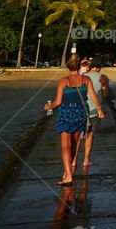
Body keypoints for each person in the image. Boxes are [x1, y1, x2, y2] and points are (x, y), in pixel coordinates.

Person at [44, 55, 105, 185]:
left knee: (66, 146)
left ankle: (68, 175)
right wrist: (99, 110)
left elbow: (58, 102)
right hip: (80, 114)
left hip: (66, 115)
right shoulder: (86, 79)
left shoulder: (63, 81)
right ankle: (68, 173)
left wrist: (48, 107)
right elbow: (93, 96)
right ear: (79, 67)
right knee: (73, 145)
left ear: (68, 68)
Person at [79, 62, 110, 168]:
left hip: (80, 109)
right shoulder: (103, 77)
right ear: (99, 68)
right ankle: (86, 160)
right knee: (90, 134)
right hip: (94, 110)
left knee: (78, 135)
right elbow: (105, 94)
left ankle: (73, 161)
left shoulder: (82, 76)